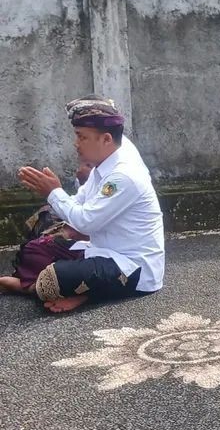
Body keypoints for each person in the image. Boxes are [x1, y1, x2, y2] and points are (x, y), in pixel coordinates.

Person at [1, 98, 165, 312]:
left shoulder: (124, 175)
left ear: (106, 139)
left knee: (52, 280)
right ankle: (76, 289)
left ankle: (56, 290)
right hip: (98, 250)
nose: (75, 143)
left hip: (132, 266)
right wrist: (54, 198)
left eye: (81, 137)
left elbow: (85, 223)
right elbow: (78, 203)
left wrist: (53, 191)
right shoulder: (104, 162)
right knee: (36, 248)